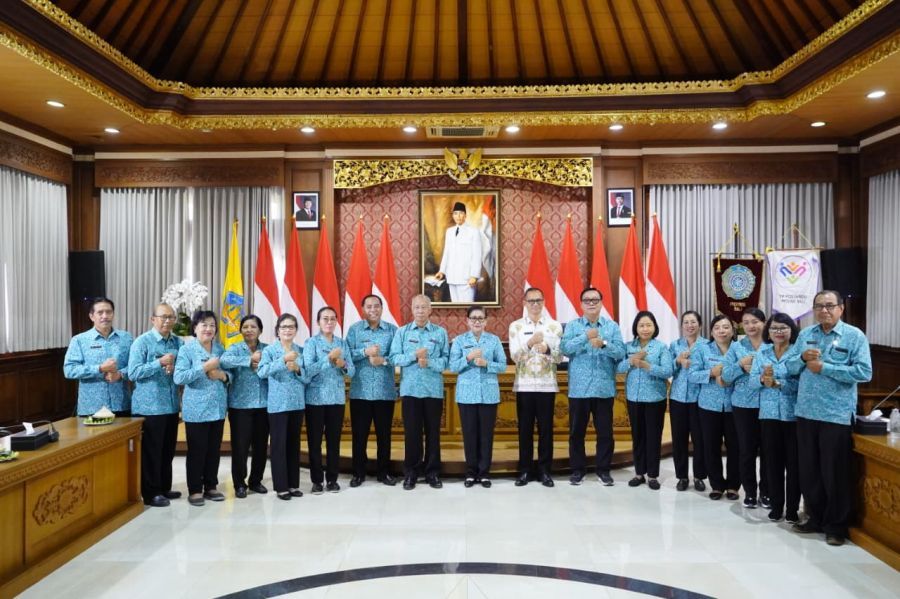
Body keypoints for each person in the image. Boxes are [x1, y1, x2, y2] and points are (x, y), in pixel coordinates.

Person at [786, 290, 872, 546]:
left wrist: (827, 368)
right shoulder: (806, 335)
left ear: (840, 309)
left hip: (835, 415)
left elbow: (864, 372)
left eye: (829, 306)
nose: (824, 310)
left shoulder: (854, 336)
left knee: (834, 472)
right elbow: (789, 367)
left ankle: (836, 525)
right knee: (810, 470)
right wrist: (801, 358)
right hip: (806, 412)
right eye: (819, 306)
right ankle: (815, 517)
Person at [560, 287, 626, 486]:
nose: (591, 303)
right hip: (579, 389)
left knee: (605, 433)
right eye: (587, 300)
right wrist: (585, 337)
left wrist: (604, 343)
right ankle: (577, 470)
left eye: (595, 300)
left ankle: (603, 470)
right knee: (576, 433)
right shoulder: (572, 326)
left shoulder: (611, 326)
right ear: (581, 304)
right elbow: (564, 349)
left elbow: (621, 353)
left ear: (601, 303)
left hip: (603, 387)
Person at [389, 294, 450, 490]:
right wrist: (413, 356)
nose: (421, 311)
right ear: (412, 310)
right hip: (411, 391)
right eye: (417, 307)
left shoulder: (440, 333)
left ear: (430, 310)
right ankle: (411, 473)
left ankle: (432, 473)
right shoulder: (403, 332)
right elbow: (394, 358)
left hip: (433, 391)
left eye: (424, 307)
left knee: (433, 434)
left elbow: (447, 361)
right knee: (412, 434)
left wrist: (430, 363)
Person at [127, 303, 183, 507]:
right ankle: (150, 493)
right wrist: (158, 363)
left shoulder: (178, 343)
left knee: (167, 450)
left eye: (171, 317)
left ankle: (164, 487)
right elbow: (132, 373)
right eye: (163, 317)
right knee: (151, 451)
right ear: (153, 319)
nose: (167, 321)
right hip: (149, 406)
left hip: (171, 405)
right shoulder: (142, 342)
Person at [174, 310, 230, 506]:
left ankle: (211, 486)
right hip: (196, 409)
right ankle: (195, 489)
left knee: (214, 450)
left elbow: (231, 376)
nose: (208, 329)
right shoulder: (186, 350)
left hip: (217, 408)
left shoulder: (220, 349)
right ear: (195, 328)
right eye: (204, 325)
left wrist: (222, 376)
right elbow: (179, 377)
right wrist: (204, 368)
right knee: (197, 450)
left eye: (212, 325)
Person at [508, 287, 563, 487]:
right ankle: (525, 470)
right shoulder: (516, 326)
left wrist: (548, 348)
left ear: (544, 302)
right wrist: (530, 343)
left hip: (547, 385)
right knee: (525, 430)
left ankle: (545, 471)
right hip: (524, 385)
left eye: (538, 300)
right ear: (524, 303)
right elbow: (515, 357)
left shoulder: (555, 326)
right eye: (531, 301)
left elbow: (560, 357)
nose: (535, 304)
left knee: (546, 430)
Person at [750, 313, 801, 523]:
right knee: (772, 462)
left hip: (793, 415)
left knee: (794, 464)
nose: (778, 332)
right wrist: (763, 379)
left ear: (791, 330)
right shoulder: (762, 353)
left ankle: (792, 509)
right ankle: (776, 505)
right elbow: (752, 382)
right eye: (774, 329)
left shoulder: (798, 353)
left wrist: (779, 384)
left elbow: (801, 385)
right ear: (768, 332)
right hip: (769, 415)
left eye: (783, 328)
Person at [450, 306, 507, 487]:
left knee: (485, 436)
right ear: (467, 320)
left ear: (486, 321)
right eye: (473, 318)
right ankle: (470, 472)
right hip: (466, 395)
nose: (477, 321)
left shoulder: (494, 340)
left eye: (480, 318)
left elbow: (503, 365)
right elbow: (452, 367)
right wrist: (468, 358)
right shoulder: (459, 341)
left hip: (488, 395)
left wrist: (486, 363)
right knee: (470, 435)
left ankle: (484, 473)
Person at [345, 294, 398, 487]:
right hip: (361, 392)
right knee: (359, 436)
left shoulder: (392, 330)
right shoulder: (355, 330)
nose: (373, 310)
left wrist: (383, 360)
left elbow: (398, 357)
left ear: (382, 308)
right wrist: (364, 352)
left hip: (385, 392)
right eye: (369, 306)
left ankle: (384, 473)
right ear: (363, 309)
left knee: (384, 436)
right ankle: (358, 473)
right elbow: (346, 354)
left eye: (377, 306)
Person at [618, 311, 673, 490]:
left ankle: (653, 475)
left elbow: (667, 371)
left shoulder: (661, 347)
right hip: (633, 397)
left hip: (655, 399)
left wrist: (648, 366)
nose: (645, 329)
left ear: (655, 327)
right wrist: (632, 361)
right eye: (641, 325)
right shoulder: (628, 346)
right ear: (636, 328)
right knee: (638, 436)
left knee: (653, 437)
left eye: (649, 325)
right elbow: (618, 367)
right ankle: (639, 473)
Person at [303, 307, 355, 494]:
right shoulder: (311, 343)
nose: (329, 322)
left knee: (334, 441)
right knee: (315, 442)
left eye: (333, 319)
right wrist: (328, 359)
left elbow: (352, 371)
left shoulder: (342, 343)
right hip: (315, 399)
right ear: (318, 322)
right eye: (325, 318)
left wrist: (344, 365)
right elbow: (307, 370)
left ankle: (332, 479)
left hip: (336, 399)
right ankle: (317, 481)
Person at [722, 307, 769, 509]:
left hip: (769, 405)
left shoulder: (772, 344)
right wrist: (740, 366)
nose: (751, 326)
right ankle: (750, 492)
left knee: (768, 451)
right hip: (743, 405)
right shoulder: (737, 347)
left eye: (755, 321)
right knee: (746, 451)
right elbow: (724, 376)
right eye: (746, 322)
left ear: (763, 323)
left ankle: (767, 492)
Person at [690, 314, 740, 501]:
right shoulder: (703, 349)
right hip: (708, 406)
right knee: (711, 447)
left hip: (735, 407)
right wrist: (710, 373)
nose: (722, 331)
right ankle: (717, 485)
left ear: (732, 330)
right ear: (711, 331)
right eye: (717, 327)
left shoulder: (739, 349)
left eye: (726, 327)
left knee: (735, 448)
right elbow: (692, 375)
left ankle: (734, 486)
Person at [258, 313, 306, 501]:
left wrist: (298, 369)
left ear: (296, 330)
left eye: (291, 327)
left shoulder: (301, 350)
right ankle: (281, 486)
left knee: (294, 445)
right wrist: (283, 361)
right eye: (284, 327)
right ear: (278, 330)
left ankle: (293, 484)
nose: (287, 330)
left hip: (297, 403)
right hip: (278, 404)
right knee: (278, 446)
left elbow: (307, 377)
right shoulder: (270, 351)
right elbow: (262, 372)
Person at [221, 315, 269, 498]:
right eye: (245, 327)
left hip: (264, 404)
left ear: (260, 330)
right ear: (241, 330)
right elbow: (224, 361)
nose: (249, 330)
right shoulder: (235, 348)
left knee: (261, 446)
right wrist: (248, 360)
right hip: (240, 406)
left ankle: (256, 481)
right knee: (240, 447)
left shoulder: (268, 349)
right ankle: (239, 483)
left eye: (253, 326)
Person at [63, 297, 133, 417]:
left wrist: (120, 374)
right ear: (91, 316)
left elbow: (135, 366)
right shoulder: (79, 340)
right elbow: (69, 370)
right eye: (100, 312)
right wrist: (100, 368)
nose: (105, 316)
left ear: (113, 314)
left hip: (122, 404)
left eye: (108, 312)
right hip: (92, 407)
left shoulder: (126, 338)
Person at [669, 310, 707, 492]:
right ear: (682, 325)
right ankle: (682, 476)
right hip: (677, 397)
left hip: (700, 399)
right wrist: (677, 361)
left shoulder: (708, 345)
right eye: (686, 322)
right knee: (679, 439)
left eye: (693, 322)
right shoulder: (675, 345)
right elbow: (667, 369)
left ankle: (699, 476)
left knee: (699, 439)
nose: (690, 325)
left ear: (699, 325)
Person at [435, 201, 482, 302]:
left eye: (461, 213)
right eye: (455, 213)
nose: (458, 216)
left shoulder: (473, 232)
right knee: (455, 306)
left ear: (465, 215)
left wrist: (474, 275)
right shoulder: (450, 231)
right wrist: (442, 270)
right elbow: (447, 252)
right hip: (452, 277)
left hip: (467, 279)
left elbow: (477, 255)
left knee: (467, 308)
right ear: (453, 215)